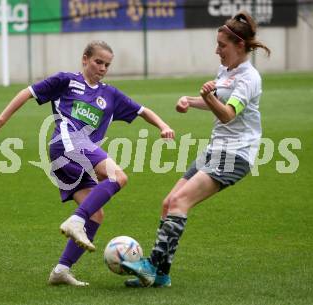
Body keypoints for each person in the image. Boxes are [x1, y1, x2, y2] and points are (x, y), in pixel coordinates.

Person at [0, 41, 175, 286]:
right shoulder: (66, 80)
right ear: (85, 59)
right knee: (119, 177)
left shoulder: (110, 94)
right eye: (98, 62)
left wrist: (163, 126)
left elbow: (143, 110)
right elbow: (28, 92)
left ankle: (61, 270)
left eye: (107, 64)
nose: (102, 68)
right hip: (66, 142)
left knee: (96, 215)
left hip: (75, 156)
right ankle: (76, 220)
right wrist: (1, 120)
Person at [121, 10, 271, 288]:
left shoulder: (249, 78)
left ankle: (151, 266)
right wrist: (191, 101)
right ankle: (162, 275)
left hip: (235, 155)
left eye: (222, 46)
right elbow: (216, 101)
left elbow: (227, 113)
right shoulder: (227, 70)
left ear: (240, 45)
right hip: (217, 150)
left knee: (180, 203)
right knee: (169, 203)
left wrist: (206, 96)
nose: (217, 51)